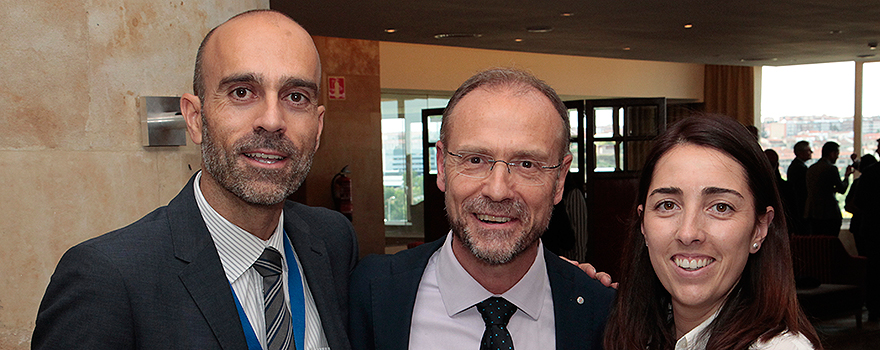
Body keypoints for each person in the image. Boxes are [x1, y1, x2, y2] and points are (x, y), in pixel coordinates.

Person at [32, 10, 358, 350]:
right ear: (195, 119)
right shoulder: (107, 279)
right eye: (242, 92)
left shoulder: (332, 241)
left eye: (296, 97)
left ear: (317, 128)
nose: (272, 120)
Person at [348, 68, 615, 350]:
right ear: (442, 167)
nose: (498, 190)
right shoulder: (370, 293)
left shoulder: (602, 314)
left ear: (559, 179)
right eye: (475, 160)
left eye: (526, 164)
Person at [603, 115, 821, 350]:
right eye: (668, 205)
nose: (688, 233)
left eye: (720, 207)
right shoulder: (638, 334)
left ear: (759, 229)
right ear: (643, 223)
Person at [805, 141, 852, 236]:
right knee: (830, 243)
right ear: (832, 153)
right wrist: (846, 177)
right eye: (837, 154)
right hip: (829, 213)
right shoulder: (831, 168)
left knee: (817, 244)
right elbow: (842, 189)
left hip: (812, 212)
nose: (837, 157)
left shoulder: (811, 168)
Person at [855, 139, 880, 321]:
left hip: (874, 230)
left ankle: (873, 310)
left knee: (873, 271)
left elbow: (859, 202)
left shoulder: (870, 173)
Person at [787, 141, 812, 235]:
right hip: (800, 208)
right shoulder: (799, 168)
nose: (811, 152)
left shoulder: (795, 166)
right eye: (809, 150)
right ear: (800, 153)